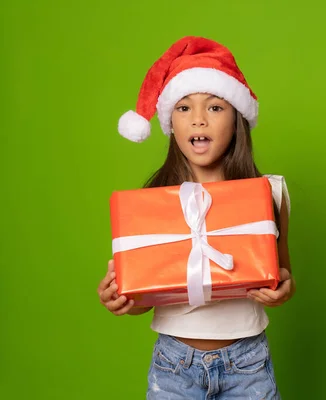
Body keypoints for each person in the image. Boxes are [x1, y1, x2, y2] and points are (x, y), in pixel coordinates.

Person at [96, 36, 295, 399]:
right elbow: (147, 296)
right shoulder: (151, 204)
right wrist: (123, 298)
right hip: (174, 367)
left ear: (237, 120)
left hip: (248, 364)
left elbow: (284, 278)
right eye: (184, 108)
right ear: (170, 121)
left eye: (215, 108)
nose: (198, 119)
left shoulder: (269, 194)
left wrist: (280, 290)